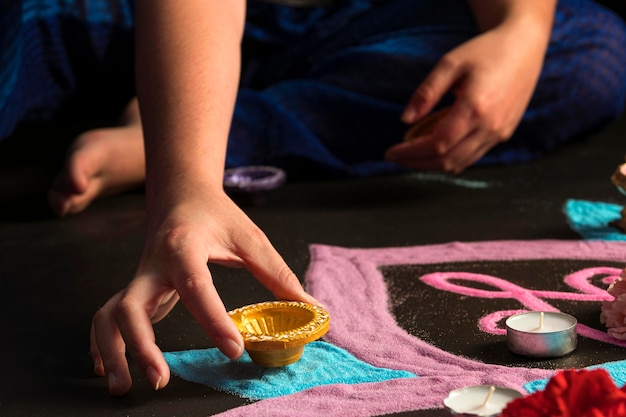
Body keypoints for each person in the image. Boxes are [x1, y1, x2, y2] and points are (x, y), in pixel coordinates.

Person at [2, 0, 625, 395]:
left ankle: (214, 128)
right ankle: (189, 122)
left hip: (350, 23)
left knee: (589, 46)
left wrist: (520, 24)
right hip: (118, 19)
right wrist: (185, 184)